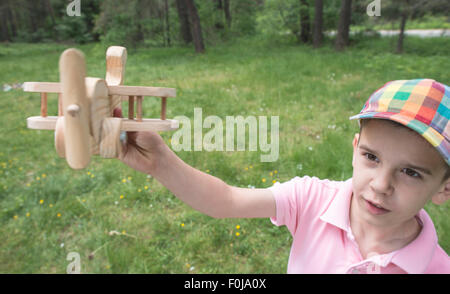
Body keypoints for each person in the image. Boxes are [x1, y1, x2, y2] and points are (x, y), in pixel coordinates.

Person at [115, 78, 450, 274]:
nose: (381, 184)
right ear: (354, 149)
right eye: (371, 157)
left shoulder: (437, 267)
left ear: (444, 187)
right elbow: (225, 200)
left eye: (410, 172)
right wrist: (158, 160)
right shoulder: (312, 199)